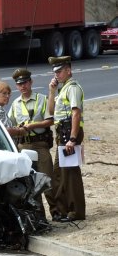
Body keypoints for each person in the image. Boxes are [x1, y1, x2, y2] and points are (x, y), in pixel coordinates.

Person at [7, 68, 56, 221]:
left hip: (40, 145)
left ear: (31, 82)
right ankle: (38, 216)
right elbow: (10, 125)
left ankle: (56, 212)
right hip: (24, 147)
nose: (23, 86)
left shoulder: (42, 99)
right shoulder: (15, 104)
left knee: (47, 180)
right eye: (19, 84)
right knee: (30, 184)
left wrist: (33, 125)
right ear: (16, 86)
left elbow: (51, 120)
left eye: (25, 82)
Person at [47, 56, 85, 222]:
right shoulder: (63, 89)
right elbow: (51, 111)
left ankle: (76, 212)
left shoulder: (73, 88)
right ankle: (62, 210)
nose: (57, 75)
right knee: (58, 174)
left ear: (68, 70)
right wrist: (51, 91)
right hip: (62, 135)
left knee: (70, 174)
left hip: (69, 134)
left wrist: (72, 138)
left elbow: (76, 113)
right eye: (55, 72)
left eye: (60, 71)